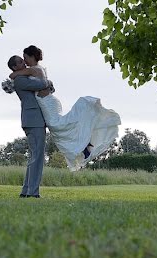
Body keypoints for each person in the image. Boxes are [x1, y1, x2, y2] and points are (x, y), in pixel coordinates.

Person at [8, 45, 121, 171]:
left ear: (32, 57)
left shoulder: (34, 69)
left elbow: (13, 75)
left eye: (25, 58)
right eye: (22, 60)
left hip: (47, 102)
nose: (24, 61)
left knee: (57, 126)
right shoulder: (37, 69)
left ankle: (84, 143)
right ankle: (84, 145)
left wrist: (14, 74)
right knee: (59, 127)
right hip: (48, 101)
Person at [7, 54, 51, 198]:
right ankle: (33, 193)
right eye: (20, 62)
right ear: (14, 67)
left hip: (33, 120)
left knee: (34, 156)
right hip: (33, 121)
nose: (24, 63)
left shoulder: (23, 77)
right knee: (37, 157)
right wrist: (47, 80)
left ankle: (26, 191)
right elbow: (42, 84)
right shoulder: (20, 80)